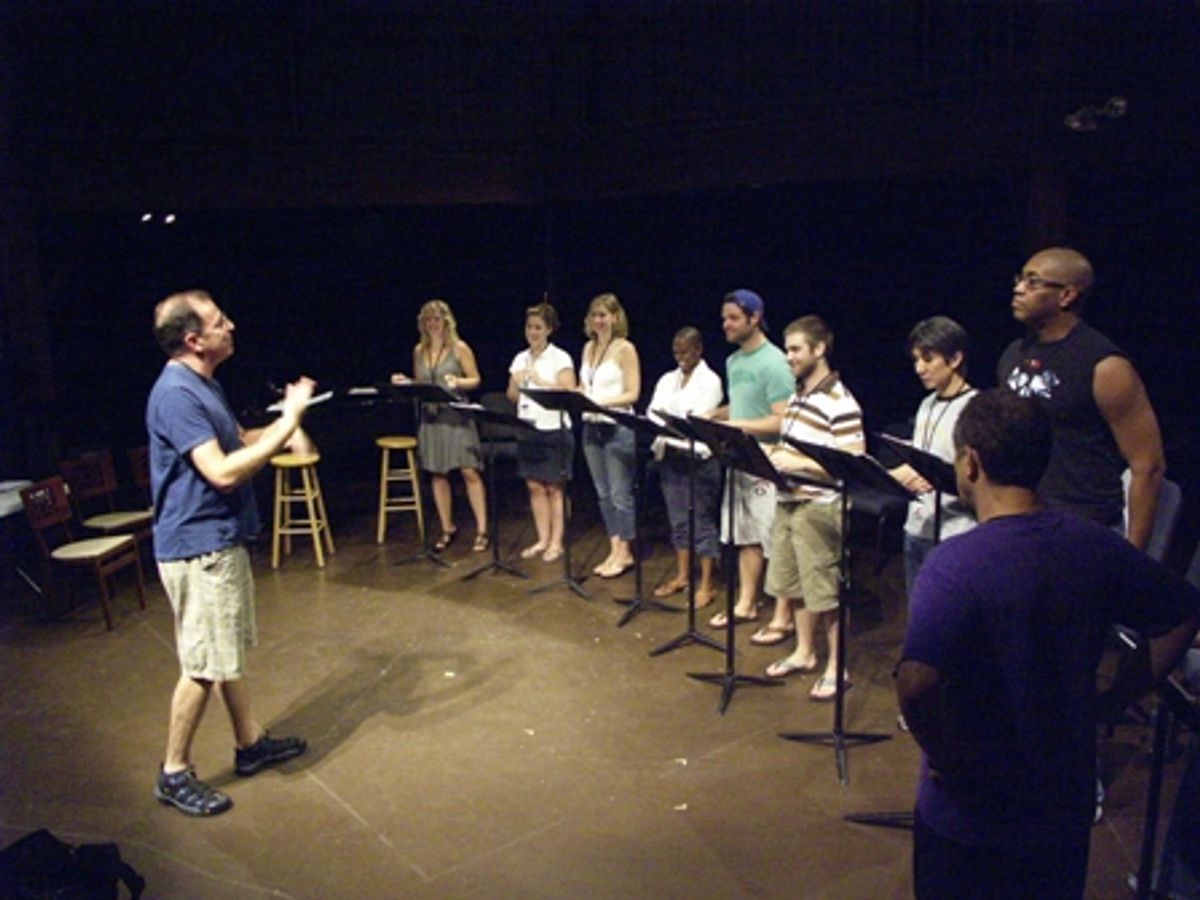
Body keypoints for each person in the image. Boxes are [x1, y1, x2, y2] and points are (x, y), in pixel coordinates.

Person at [896, 389, 1200, 898]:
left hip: (970, 818)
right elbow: (1184, 611)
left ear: (970, 462)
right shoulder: (1095, 546)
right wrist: (1119, 696)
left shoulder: (954, 565)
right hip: (1059, 808)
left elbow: (916, 681)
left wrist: (951, 760)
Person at [147, 290, 312, 817]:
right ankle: (174, 771)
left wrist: (282, 427)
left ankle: (248, 741)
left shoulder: (203, 385)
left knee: (224, 654)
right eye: (220, 322)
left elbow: (238, 440)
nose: (231, 325)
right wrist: (288, 423)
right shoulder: (176, 394)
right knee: (202, 663)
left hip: (217, 540)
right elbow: (221, 471)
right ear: (194, 340)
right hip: (197, 547)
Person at [998, 246, 1165, 550]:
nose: (1019, 289)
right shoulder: (1013, 354)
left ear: (1067, 295)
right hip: (1022, 522)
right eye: (1019, 279)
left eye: (1033, 282)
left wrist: (1133, 556)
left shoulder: (1104, 366)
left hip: (1083, 528)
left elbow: (1147, 465)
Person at [757, 316, 865, 701]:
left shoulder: (840, 401)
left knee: (825, 591)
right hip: (789, 502)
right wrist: (772, 455)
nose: (789, 357)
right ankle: (804, 652)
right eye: (787, 349)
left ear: (819, 350)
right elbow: (795, 447)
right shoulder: (801, 395)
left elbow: (852, 461)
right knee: (797, 585)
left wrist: (798, 464)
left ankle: (839, 666)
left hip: (819, 506)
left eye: (795, 349)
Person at [707, 289, 794, 630]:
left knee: (774, 539)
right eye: (724, 318)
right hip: (739, 459)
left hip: (767, 462)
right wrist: (715, 414)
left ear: (754, 318)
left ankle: (783, 615)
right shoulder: (733, 361)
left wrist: (735, 425)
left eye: (732, 319)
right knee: (746, 536)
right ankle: (747, 602)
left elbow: (781, 418)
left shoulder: (774, 362)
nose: (725, 325)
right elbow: (743, 406)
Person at [392, 299, 488, 553]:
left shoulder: (459, 348)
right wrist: (406, 382)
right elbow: (421, 382)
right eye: (428, 320)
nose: (433, 325)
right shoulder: (419, 351)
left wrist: (458, 381)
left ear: (447, 321)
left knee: (469, 470)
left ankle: (482, 530)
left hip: (456, 416)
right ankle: (448, 527)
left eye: (437, 319)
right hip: (432, 418)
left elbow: (476, 379)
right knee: (438, 472)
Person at [889, 316, 977, 595]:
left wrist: (933, 475)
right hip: (917, 526)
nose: (919, 368)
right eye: (916, 360)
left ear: (954, 359)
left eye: (928, 359)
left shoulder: (974, 407)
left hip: (954, 532)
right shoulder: (926, 403)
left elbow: (975, 476)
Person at [646, 326, 724, 608]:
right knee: (678, 521)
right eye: (676, 352)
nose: (680, 358)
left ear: (699, 350)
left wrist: (673, 419)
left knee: (701, 522)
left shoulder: (711, 380)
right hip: (670, 457)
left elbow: (698, 420)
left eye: (686, 352)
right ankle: (682, 576)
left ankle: (707, 583)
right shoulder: (668, 379)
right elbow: (653, 411)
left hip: (698, 459)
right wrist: (671, 419)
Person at [507, 301, 576, 563]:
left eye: (538, 327)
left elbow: (569, 390)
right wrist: (517, 381)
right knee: (535, 486)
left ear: (549, 329)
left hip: (554, 428)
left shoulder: (560, 357)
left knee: (554, 488)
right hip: (528, 428)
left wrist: (539, 381)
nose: (533, 332)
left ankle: (557, 542)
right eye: (529, 326)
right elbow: (512, 396)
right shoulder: (519, 358)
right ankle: (542, 538)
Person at [579, 293, 641, 579]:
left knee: (620, 494)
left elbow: (633, 393)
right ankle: (614, 546)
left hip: (616, 426)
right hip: (591, 426)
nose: (599, 320)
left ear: (616, 318)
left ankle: (625, 551)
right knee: (603, 494)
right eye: (595, 315)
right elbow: (584, 385)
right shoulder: (587, 349)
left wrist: (602, 403)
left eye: (604, 315)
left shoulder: (625, 349)